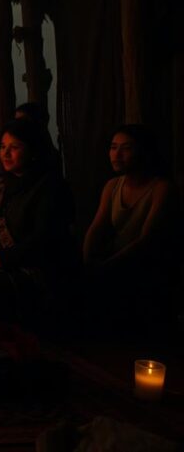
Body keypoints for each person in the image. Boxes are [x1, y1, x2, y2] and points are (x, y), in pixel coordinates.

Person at [0, 118, 75, 323]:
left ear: (33, 150)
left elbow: (45, 237)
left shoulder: (51, 187)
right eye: (3, 147)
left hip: (32, 269)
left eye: (14, 147)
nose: (5, 153)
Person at [81, 125, 176, 325]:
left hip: (146, 267)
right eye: (113, 147)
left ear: (143, 151)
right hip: (113, 260)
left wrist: (106, 266)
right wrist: (87, 260)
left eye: (126, 148)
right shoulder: (113, 186)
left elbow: (146, 239)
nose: (117, 154)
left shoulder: (161, 188)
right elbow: (96, 227)